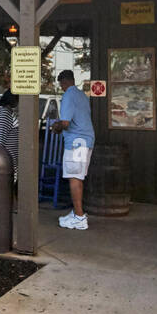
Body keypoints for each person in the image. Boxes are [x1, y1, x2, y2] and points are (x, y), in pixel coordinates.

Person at [53, 69, 94, 230]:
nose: (61, 88)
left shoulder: (69, 95)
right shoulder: (82, 95)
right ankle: (78, 212)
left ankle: (79, 217)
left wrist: (54, 127)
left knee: (74, 178)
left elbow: (65, 123)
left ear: (64, 82)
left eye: (61, 85)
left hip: (76, 141)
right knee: (78, 176)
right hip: (86, 138)